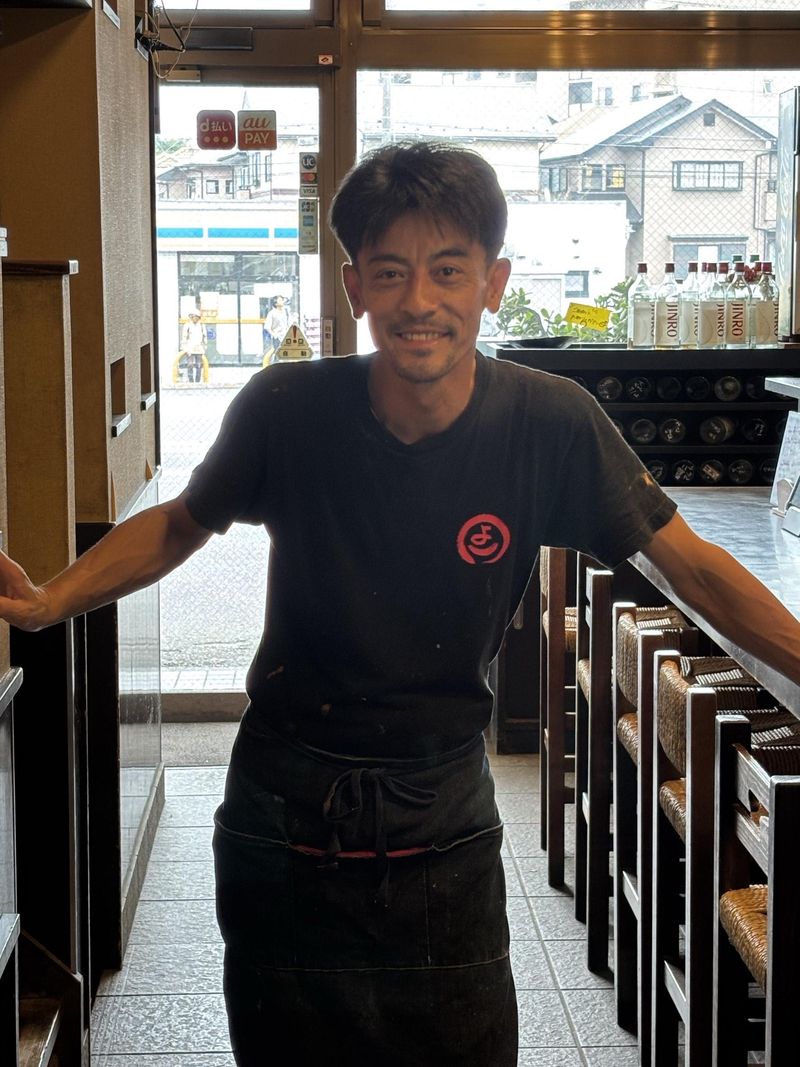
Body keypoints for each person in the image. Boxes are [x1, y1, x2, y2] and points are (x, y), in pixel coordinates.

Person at [0, 141, 798, 1065]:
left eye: (448, 269)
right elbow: (183, 521)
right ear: (355, 287)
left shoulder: (549, 421)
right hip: (284, 806)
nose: (419, 300)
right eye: (391, 271)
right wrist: (50, 602)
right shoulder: (287, 407)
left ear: (493, 283)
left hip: (442, 811)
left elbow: (691, 564)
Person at [180, 309, 206, 383]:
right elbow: (184, 338)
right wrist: (185, 348)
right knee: (190, 364)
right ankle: (191, 381)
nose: (195, 318)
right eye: (194, 316)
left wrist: (204, 348)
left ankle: (198, 381)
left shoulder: (202, 326)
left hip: (199, 348)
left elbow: (205, 337)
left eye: (197, 317)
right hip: (190, 348)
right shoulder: (187, 325)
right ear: (191, 317)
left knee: (199, 365)